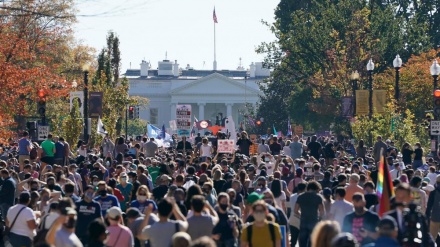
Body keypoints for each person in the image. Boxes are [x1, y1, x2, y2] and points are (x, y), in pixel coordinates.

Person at [294, 180, 325, 247]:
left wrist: (301, 215)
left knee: (302, 242)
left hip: (303, 221)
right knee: (312, 242)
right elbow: (322, 211)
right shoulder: (318, 197)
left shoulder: (300, 196)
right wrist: (319, 219)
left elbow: (295, 210)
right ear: (316, 188)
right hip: (314, 221)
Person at [426, 174, 440, 239]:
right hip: (435, 217)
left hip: (435, 217)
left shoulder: (434, 192)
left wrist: (427, 216)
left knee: (432, 238)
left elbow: (429, 206)